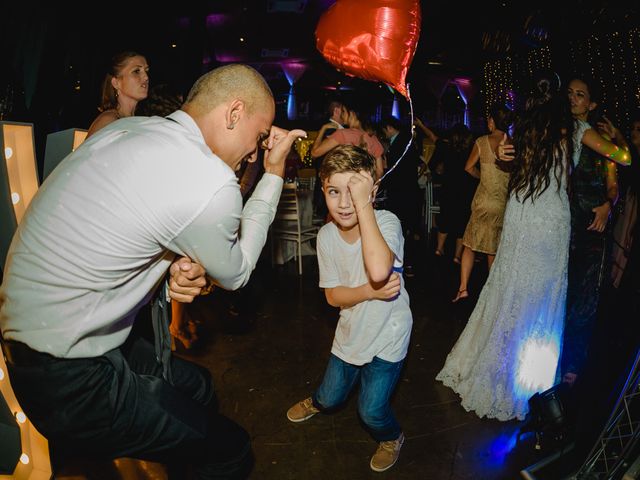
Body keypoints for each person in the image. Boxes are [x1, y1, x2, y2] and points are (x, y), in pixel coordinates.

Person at [0, 63, 305, 478]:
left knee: (198, 388)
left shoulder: (134, 131)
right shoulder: (209, 181)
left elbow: (118, 231)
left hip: (43, 340)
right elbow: (237, 273)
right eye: (257, 136)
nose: (254, 150)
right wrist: (272, 173)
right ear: (234, 113)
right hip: (68, 377)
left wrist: (173, 269)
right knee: (232, 450)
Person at [436, 71, 630, 421]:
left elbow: (504, 161)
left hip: (520, 214)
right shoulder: (578, 132)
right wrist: (619, 140)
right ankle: (528, 377)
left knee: (508, 288)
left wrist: (508, 159)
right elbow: (624, 158)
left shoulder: (522, 128)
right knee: (540, 296)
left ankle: (494, 363)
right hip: (550, 221)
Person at [286, 144, 412, 473]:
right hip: (352, 329)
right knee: (329, 398)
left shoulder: (387, 222)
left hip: (389, 333)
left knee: (370, 411)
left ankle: (392, 437)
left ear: (373, 191)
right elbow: (332, 297)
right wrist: (369, 292)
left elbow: (379, 269)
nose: (344, 203)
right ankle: (315, 401)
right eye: (333, 191)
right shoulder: (326, 235)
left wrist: (364, 205)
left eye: (353, 192)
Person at [561, 76, 629, 385]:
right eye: (570, 93)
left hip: (590, 228)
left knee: (583, 299)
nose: (573, 99)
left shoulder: (601, 145)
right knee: (558, 293)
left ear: (592, 104)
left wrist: (607, 206)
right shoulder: (559, 131)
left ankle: (572, 364)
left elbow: (614, 186)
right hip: (561, 224)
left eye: (580, 95)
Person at [452, 105, 513, 302]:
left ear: (493, 121)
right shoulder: (513, 144)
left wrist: (482, 177)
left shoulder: (481, 141)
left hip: (483, 200)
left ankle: (463, 289)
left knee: (470, 245)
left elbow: (468, 167)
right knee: (492, 248)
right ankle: (492, 294)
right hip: (502, 203)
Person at [427, 123, 476, 263]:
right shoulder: (471, 150)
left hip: (448, 189)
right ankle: (457, 256)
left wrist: (421, 125)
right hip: (466, 191)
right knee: (462, 225)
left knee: (444, 221)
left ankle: (439, 248)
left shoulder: (445, 147)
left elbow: (433, 137)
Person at [380, 116, 421, 277]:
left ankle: (402, 263)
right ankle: (406, 263)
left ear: (389, 128)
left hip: (401, 193)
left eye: (384, 131)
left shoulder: (399, 143)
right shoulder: (407, 140)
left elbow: (394, 171)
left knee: (399, 229)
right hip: (409, 191)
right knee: (406, 229)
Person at [311, 103, 385, 180]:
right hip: (363, 187)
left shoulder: (343, 134)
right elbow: (379, 171)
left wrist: (322, 130)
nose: (341, 115)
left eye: (343, 111)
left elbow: (315, 153)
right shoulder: (373, 138)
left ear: (352, 113)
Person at [86, 51, 149, 137]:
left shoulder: (135, 120)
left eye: (146, 71)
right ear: (116, 83)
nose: (146, 77)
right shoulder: (108, 121)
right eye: (136, 71)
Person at [312, 99, 345, 219]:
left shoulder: (333, 129)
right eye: (344, 110)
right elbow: (315, 154)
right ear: (337, 111)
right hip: (330, 184)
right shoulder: (331, 130)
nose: (346, 114)